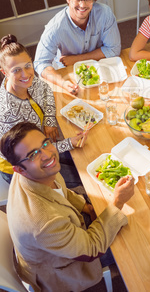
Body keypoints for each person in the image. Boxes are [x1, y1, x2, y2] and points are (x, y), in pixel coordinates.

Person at [1, 122, 134, 292]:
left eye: (45, 143)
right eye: (33, 154)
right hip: (63, 267)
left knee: (102, 206)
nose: (47, 155)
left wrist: (87, 207)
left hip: (58, 236)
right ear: (19, 169)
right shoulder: (42, 223)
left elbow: (61, 191)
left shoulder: (34, 174)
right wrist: (118, 203)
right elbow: (91, 249)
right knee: (131, 245)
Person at [0, 34, 87, 187]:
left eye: (28, 65)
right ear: (4, 72)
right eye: (16, 70)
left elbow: (46, 90)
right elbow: (32, 154)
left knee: (84, 159)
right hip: (24, 164)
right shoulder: (9, 113)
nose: (25, 74)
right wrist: (68, 143)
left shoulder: (27, 81)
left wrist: (49, 120)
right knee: (82, 176)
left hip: (40, 142)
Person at [34, 0, 121, 95]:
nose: (83, 5)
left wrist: (76, 59)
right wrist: (63, 83)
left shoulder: (105, 13)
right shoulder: (55, 27)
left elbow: (113, 49)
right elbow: (40, 63)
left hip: (98, 69)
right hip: (67, 73)